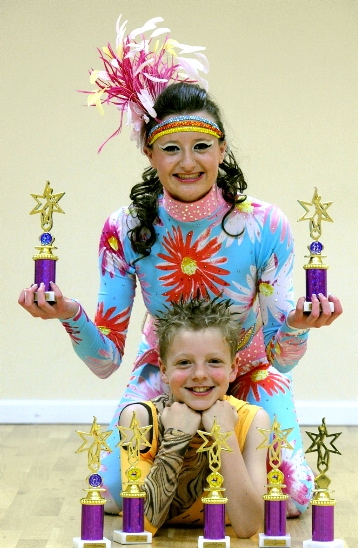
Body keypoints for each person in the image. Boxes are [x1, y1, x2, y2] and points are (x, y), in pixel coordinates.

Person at [18, 16, 342, 517]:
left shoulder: (264, 225)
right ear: (149, 153)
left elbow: (281, 359)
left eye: (201, 147)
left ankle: (200, 493)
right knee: (109, 496)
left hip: (248, 368)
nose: (187, 162)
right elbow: (106, 360)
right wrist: (67, 311)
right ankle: (199, 492)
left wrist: (299, 325)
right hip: (165, 373)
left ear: (221, 149)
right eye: (170, 148)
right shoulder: (123, 228)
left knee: (291, 501)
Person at [118, 296, 270, 538]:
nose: (200, 374)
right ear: (164, 370)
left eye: (214, 361)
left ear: (233, 368)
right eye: (185, 362)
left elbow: (248, 527)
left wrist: (225, 436)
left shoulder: (253, 420)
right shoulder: (139, 419)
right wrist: (175, 439)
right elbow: (139, 526)